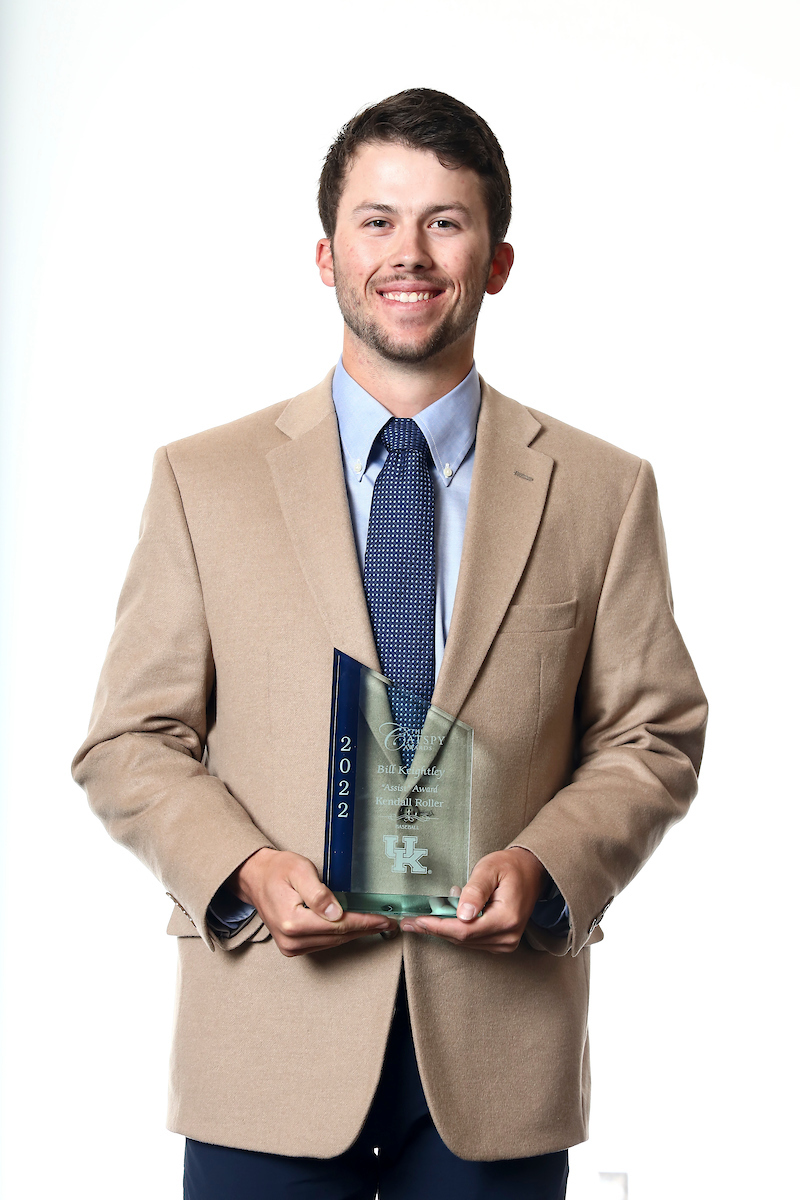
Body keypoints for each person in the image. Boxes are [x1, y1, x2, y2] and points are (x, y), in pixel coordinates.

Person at [72, 88, 707, 1200]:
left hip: (495, 1063)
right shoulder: (202, 481)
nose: (406, 254)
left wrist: (548, 866)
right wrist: (243, 873)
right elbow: (130, 738)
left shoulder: (601, 492)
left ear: (497, 261)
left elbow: (651, 734)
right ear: (324, 255)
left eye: (443, 222)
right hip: (267, 1044)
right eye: (376, 221)